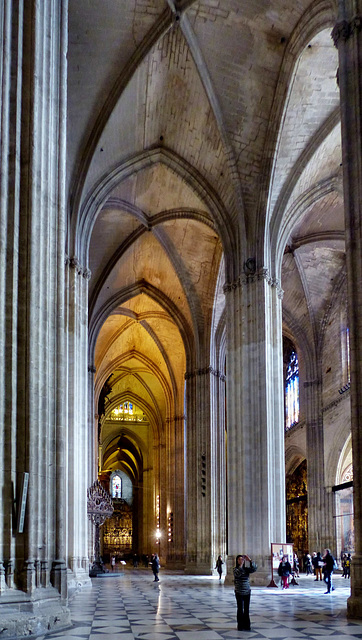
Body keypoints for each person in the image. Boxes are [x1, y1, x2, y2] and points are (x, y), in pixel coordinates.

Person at [233, 554, 257, 631]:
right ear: (237, 561)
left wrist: (250, 560)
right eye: (239, 560)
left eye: (242, 560)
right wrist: (241, 566)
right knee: (240, 609)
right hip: (239, 592)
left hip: (247, 591)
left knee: (246, 609)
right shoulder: (235, 569)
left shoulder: (246, 569)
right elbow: (238, 574)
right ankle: (240, 626)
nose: (241, 561)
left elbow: (254, 568)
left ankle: (247, 625)